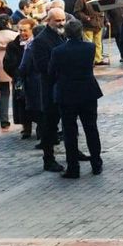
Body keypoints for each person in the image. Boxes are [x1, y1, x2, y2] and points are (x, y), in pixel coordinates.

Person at [50, 20, 104, 178]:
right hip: (88, 92)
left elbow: (51, 71)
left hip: (67, 94)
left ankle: (73, 167)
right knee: (91, 129)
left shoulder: (58, 51)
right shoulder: (90, 47)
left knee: (69, 132)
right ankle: (96, 164)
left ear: (65, 33)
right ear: (81, 32)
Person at [28, 8, 68, 173]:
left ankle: (73, 151)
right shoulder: (41, 40)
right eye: (57, 20)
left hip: (66, 86)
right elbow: (41, 66)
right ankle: (48, 158)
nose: (61, 23)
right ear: (48, 21)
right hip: (50, 88)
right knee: (50, 124)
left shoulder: (64, 34)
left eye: (63, 20)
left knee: (68, 122)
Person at [5, 17, 35, 139]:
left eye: (25, 30)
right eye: (20, 30)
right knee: (21, 104)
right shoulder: (13, 45)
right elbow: (7, 64)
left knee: (37, 104)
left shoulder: (37, 43)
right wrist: (17, 74)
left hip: (34, 79)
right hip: (20, 79)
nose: (22, 33)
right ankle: (26, 127)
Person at [74, 0, 107, 65]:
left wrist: (106, 20)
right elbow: (77, 11)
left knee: (98, 43)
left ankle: (98, 59)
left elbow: (104, 9)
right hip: (88, 25)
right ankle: (90, 61)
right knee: (88, 44)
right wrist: (85, 17)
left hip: (99, 24)